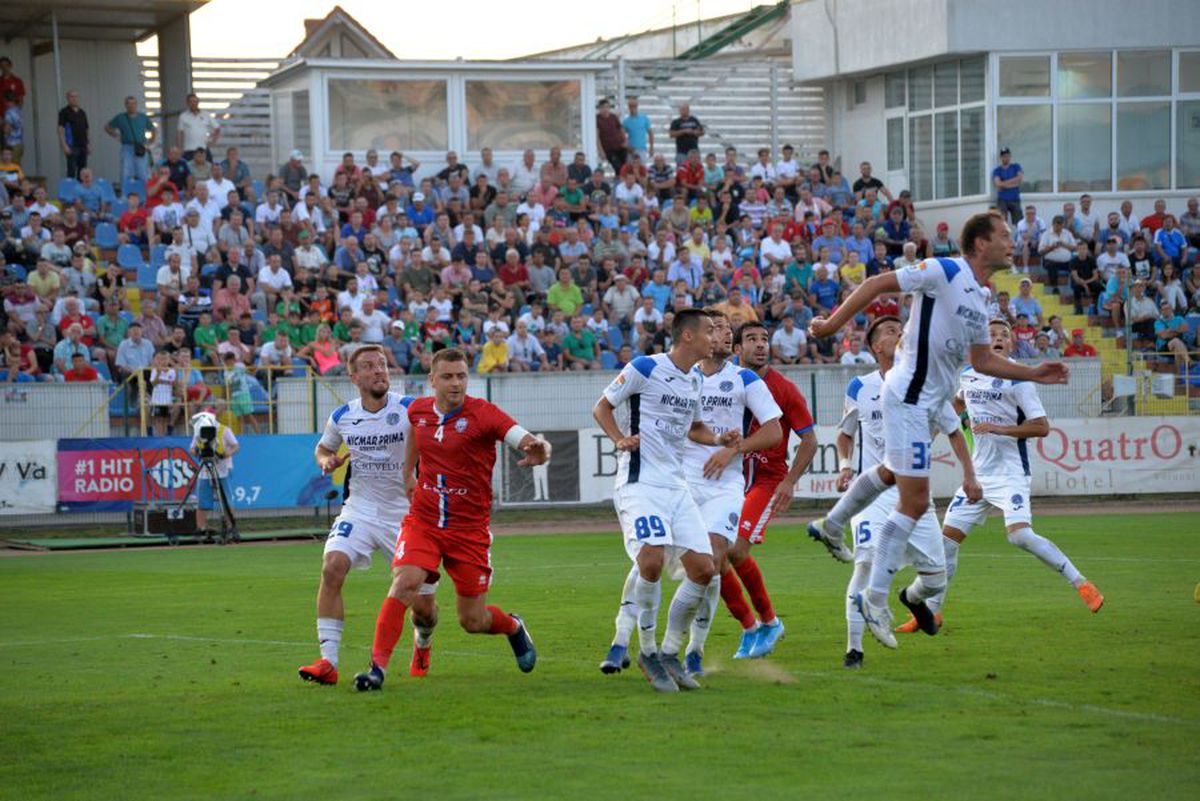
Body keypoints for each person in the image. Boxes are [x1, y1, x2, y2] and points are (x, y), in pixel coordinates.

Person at [806, 211, 1069, 650]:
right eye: (1005, 235)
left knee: (892, 474)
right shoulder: (944, 269)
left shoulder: (981, 297)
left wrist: (1034, 372)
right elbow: (877, 284)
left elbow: (982, 361)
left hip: (928, 402)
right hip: (909, 394)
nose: (1012, 242)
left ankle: (833, 525)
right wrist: (831, 326)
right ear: (981, 243)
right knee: (914, 501)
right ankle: (875, 598)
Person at [354, 348, 550, 692]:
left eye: (461, 376)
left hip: (468, 530)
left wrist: (538, 448)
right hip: (424, 520)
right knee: (405, 584)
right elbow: (416, 433)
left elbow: (519, 435)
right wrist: (408, 473)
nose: (456, 383)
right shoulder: (418, 410)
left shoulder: (484, 413)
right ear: (433, 380)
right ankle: (377, 670)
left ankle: (513, 627)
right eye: (447, 377)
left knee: (472, 621)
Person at [601, 311, 783, 679]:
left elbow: (705, 428)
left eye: (725, 330)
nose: (720, 336)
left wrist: (726, 444)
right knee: (650, 560)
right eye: (712, 330)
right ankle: (631, 643)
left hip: (711, 486)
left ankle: (688, 650)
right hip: (658, 481)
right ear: (689, 336)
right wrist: (619, 439)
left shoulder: (723, 380)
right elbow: (603, 406)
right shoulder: (649, 368)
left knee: (708, 564)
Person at [900, 320, 1104, 633]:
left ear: (1010, 345)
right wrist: (941, 427)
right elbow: (957, 403)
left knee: (1019, 536)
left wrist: (1000, 428)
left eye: (1004, 335)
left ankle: (1081, 584)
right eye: (991, 335)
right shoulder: (968, 376)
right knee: (946, 544)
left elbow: (1042, 426)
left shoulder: (1019, 380)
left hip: (1011, 473)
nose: (997, 338)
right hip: (978, 476)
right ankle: (932, 612)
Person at [834, 316, 977, 668]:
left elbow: (954, 431)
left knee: (936, 577)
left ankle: (911, 598)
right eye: (890, 332)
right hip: (873, 493)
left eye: (902, 331)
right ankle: (854, 649)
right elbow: (845, 433)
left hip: (915, 494)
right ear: (875, 346)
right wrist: (845, 465)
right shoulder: (860, 387)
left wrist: (970, 476)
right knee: (865, 564)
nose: (899, 335)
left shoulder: (928, 385)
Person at [298, 346, 439, 686]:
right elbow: (323, 447)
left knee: (424, 610)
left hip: (407, 515)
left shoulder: (409, 408)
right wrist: (326, 460)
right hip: (360, 508)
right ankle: (328, 662)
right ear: (354, 377)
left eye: (382, 365)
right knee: (332, 567)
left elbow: (438, 434)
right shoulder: (342, 416)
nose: (379, 371)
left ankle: (423, 642)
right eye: (369, 366)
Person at [715, 320, 823, 660]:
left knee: (735, 550)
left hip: (766, 480)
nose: (760, 344)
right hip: (728, 479)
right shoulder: (722, 382)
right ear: (736, 349)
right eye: (751, 339)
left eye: (764, 339)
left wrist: (789, 481)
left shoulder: (784, 389)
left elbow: (809, 441)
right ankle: (749, 628)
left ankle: (770, 622)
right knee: (712, 556)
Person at [189, 409, 238, 534]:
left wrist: (226, 454)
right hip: (204, 471)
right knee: (202, 501)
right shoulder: (199, 430)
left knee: (226, 500)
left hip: (222, 470)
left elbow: (235, 445)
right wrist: (197, 452)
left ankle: (231, 526)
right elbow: (192, 448)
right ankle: (201, 528)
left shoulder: (224, 430)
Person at [105, 95, 155, 186]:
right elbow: (107, 127)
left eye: (133, 103)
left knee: (143, 173)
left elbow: (153, 130)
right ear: (125, 105)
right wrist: (115, 135)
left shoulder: (143, 117)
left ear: (136, 104)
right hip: (127, 147)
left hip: (140, 147)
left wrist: (149, 143)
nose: (131, 106)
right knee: (125, 172)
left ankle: (144, 193)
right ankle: (125, 192)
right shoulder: (120, 117)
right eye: (129, 104)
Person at [177, 92, 220, 161]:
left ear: (198, 102)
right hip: (189, 150)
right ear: (187, 103)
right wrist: (179, 148)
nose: (193, 103)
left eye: (195, 101)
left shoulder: (206, 115)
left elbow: (217, 129)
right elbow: (179, 134)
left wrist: (213, 142)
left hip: (203, 149)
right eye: (191, 101)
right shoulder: (183, 116)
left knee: (208, 167)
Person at [57, 90, 90, 179]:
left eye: (76, 96)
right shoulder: (64, 112)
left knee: (83, 171)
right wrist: (64, 145)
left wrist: (88, 144)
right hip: (72, 146)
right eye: (71, 96)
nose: (74, 99)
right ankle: (70, 187)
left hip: (83, 145)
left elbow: (87, 129)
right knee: (71, 170)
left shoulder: (82, 112)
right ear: (67, 98)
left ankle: (80, 188)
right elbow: (60, 129)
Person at [992, 147, 1023, 224]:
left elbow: (1020, 178)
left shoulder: (1016, 167)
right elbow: (998, 184)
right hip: (1002, 200)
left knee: (1019, 223)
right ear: (1001, 157)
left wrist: (1004, 184)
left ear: (1010, 156)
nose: (1006, 158)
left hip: (1015, 198)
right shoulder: (997, 170)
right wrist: (1014, 183)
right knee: (1001, 222)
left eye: (1007, 156)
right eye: (1004, 156)